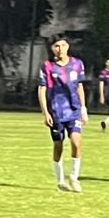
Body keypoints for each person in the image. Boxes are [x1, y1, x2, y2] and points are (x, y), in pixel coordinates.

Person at [38, 36, 88, 192]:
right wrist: (45, 112)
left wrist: (83, 108)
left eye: (63, 45)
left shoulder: (77, 64)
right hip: (56, 111)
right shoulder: (47, 66)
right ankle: (60, 180)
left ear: (68, 46)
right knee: (58, 145)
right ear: (52, 48)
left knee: (76, 142)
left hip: (73, 110)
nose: (60, 49)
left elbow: (79, 86)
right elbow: (42, 89)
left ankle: (74, 177)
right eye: (57, 46)